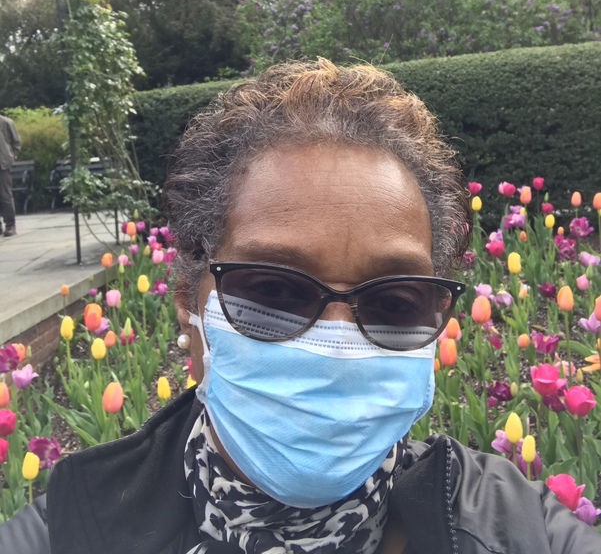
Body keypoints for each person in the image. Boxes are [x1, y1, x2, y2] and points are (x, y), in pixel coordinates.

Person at [1, 58, 599, 553]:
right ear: (193, 319)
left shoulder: (519, 531)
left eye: (394, 299)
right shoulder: (65, 535)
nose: (337, 349)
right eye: (275, 290)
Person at [0, 113, 21, 237]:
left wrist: (11, 157)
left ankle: (10, 225)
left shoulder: (6, 122)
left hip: (2, 165)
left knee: (5, 196)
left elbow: (16, 143)